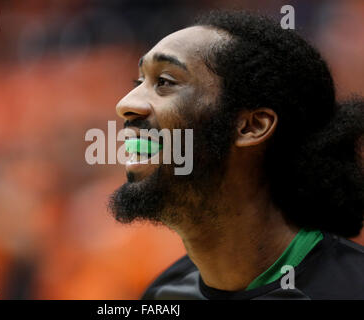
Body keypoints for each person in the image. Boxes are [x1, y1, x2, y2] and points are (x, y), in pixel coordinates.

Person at [109, 10, 364, 299]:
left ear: (250, 126)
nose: (125, 104)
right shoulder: (164, 293)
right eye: (138, 82)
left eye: (165, 82)